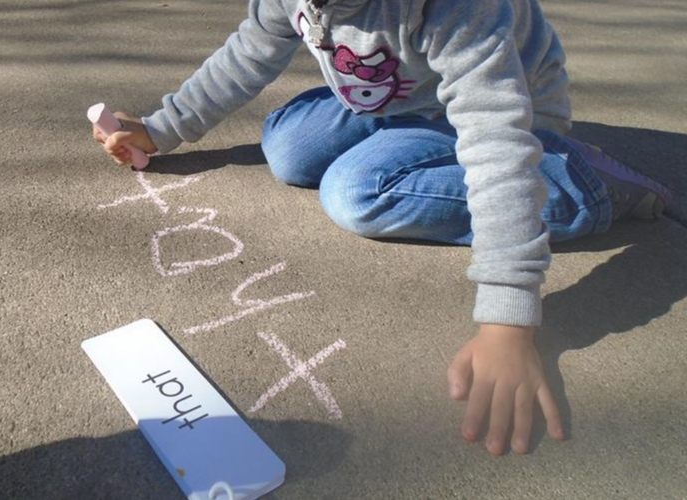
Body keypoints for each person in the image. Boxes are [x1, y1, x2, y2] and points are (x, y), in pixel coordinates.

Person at [91, 0, 672, 455]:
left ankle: (582, 186)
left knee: (358, 192)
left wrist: (507, 319)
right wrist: (162, 128)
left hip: (504, 115)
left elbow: (496, 144)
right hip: (397, 98)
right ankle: (400, 140)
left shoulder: (450, 8)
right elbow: (248, 51)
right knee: (289, 145)